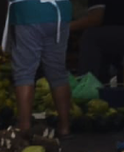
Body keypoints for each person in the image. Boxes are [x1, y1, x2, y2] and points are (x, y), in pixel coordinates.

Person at [5, 0, 73, 136]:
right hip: (59, 13)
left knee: (24, 73)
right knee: (58, 72)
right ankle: (65, 127)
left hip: (28, 12)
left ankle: (24, 128)